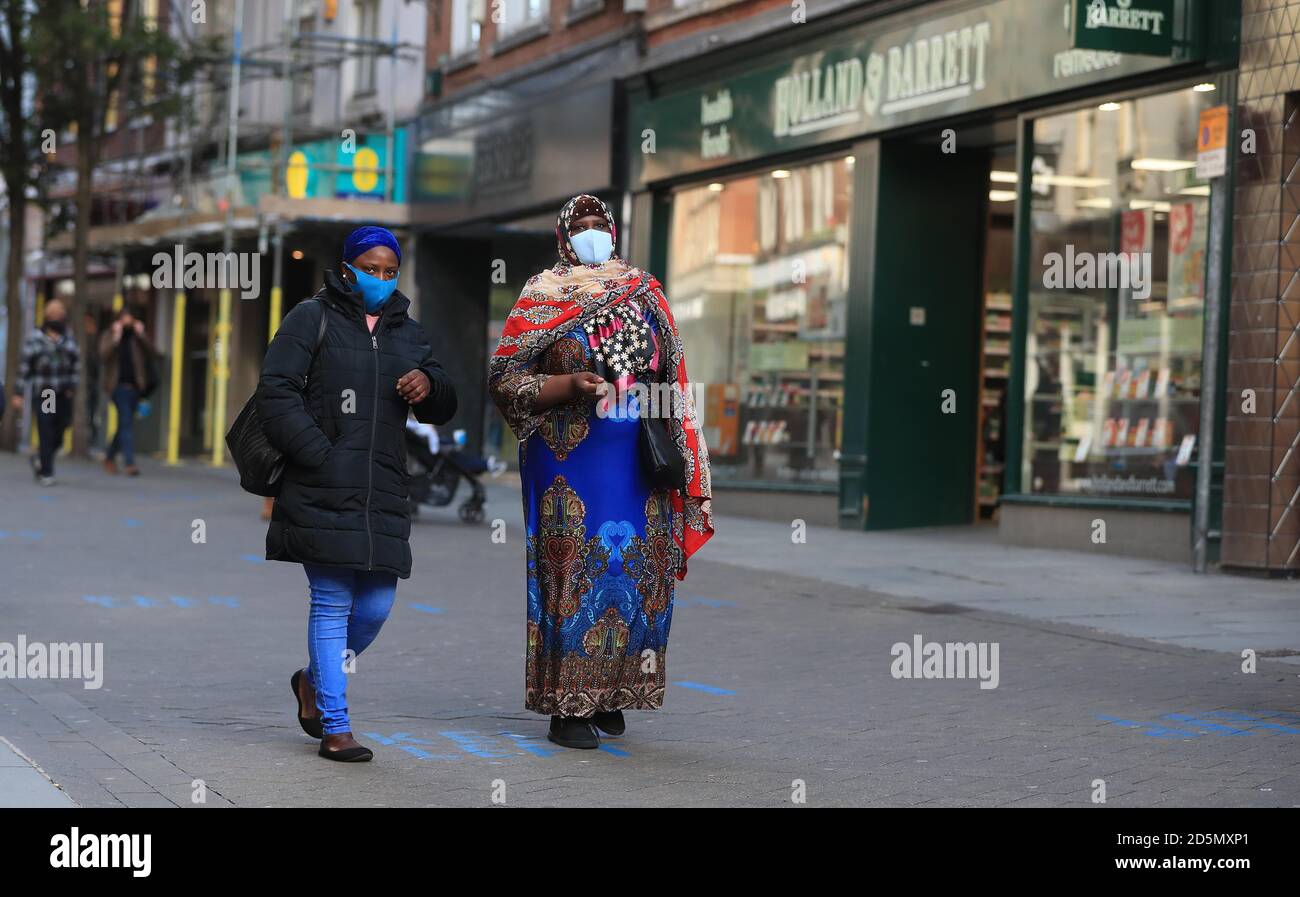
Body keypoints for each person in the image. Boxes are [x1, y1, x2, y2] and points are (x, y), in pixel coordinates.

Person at [489, 194, 713, 750]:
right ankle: (567, 709)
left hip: (641, 458)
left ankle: (612, 694)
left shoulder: (644, 291)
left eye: (600, 225)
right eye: (581, 227)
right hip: (568, 461)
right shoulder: (541, 295)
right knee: (575, 574)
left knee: (640, 572)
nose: (593, 234)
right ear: (565, 237)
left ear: (614, 232)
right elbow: (504, 378)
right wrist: (564, 386)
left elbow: (673, 373)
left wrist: (682, 443)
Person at [258, 225, 457, 763]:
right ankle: (336, 725)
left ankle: (311, 681)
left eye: (391, 272)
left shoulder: (408, 333)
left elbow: (445, 402)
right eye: (371, 269)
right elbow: (275, 392)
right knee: (330, 602)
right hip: (319, 484)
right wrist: (318, 454)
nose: (382, 280)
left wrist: (428, 384)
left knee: (375, 606)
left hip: (383, 490)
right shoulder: (310, 318)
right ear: (347, 268)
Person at [13, 299, 79, 486]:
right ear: (48, 317)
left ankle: (39, 456)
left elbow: (76, 363)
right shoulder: (36, 338)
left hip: (63, 391)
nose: (58, 318)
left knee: (63, 426)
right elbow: (25, 366)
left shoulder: (69, 338)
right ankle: (47, 472)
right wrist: (19, 392)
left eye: (61, 315)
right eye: (55, 315)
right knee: (47, 429)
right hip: (46, 392)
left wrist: (72, 387)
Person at [99, 306, 156, 476]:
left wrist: (142, 335)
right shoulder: (109, 336)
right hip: (118, 388)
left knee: (125, 424)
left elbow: (152, 353)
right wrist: (116, 337)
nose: (126, 323)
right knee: (126, 424)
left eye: (129, 319)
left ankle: (109, 457)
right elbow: (103, 355)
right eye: (123, 319)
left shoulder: (136, 338)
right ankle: (129, 463)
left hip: (135, 388)